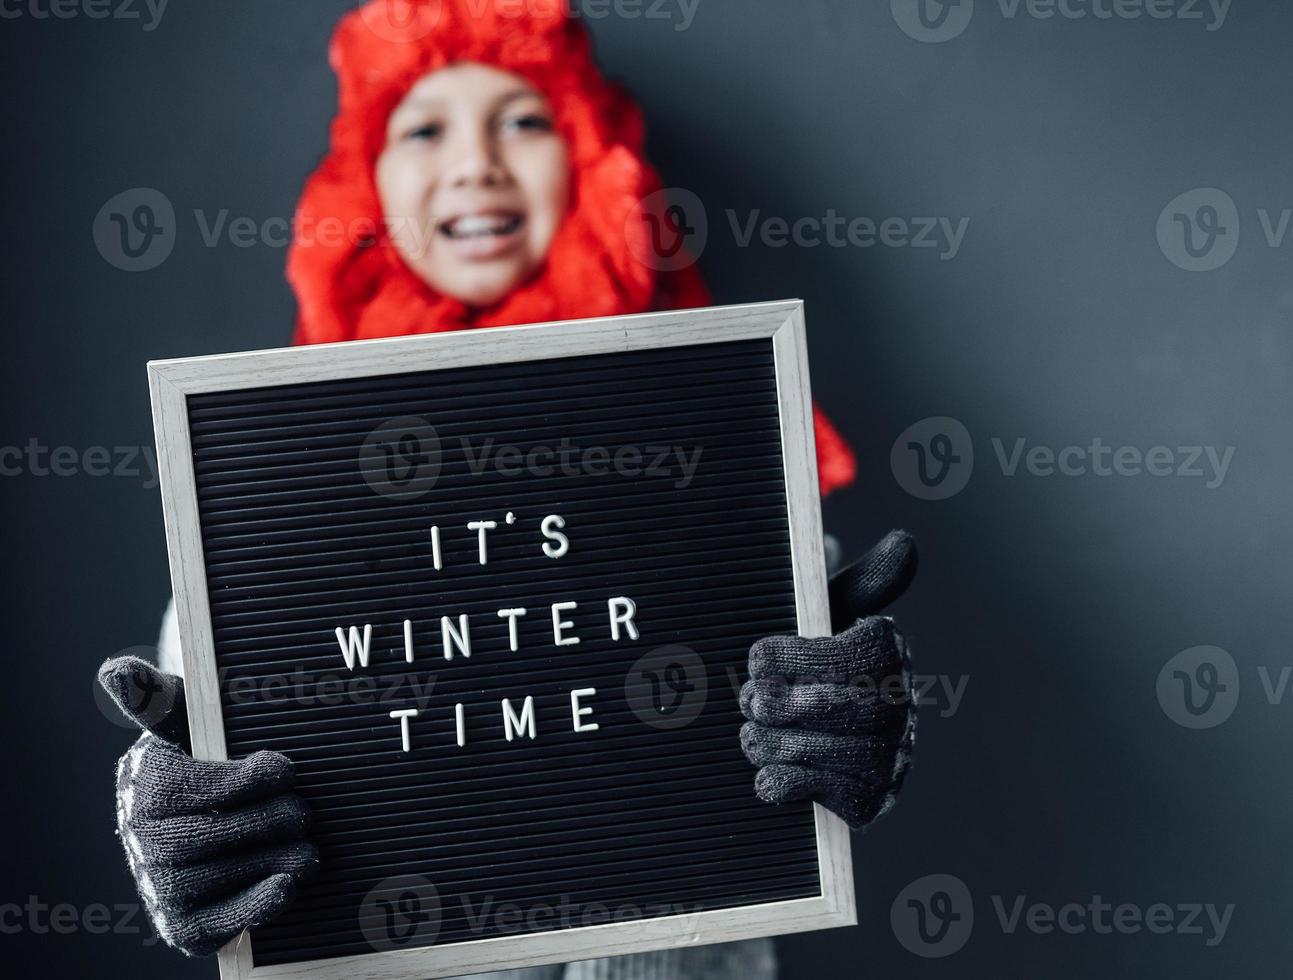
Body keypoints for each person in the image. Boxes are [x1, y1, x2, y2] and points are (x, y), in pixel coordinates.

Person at [97, 2, 919, 977]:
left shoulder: (713, 448)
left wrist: (850, 730)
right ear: (367, 178)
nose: (477, 160)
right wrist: (181, 825)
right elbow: (197, 710)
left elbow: (803, 688)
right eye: (424, 126)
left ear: (586, 157)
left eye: (523, 120)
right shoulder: (276, 475)